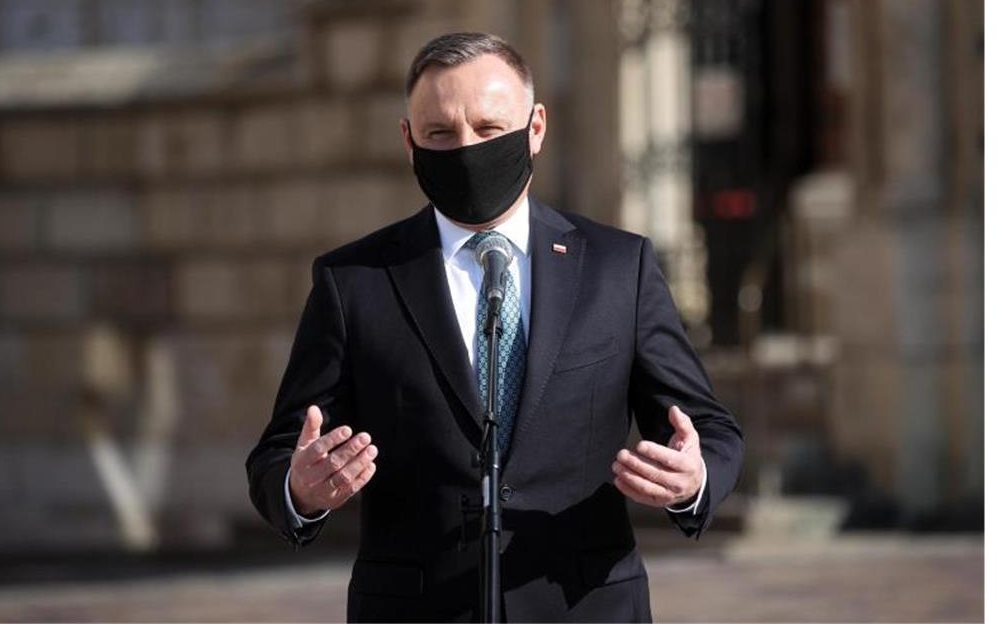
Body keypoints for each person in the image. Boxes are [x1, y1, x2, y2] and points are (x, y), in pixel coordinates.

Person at [246, 32, 744, 622]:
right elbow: (280, 453)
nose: (466, 148)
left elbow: (707, 427)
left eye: (488, 129)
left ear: (535, 128)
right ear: (408, 142)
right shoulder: (355, 280)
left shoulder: (619, 268)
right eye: (440, 134)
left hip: (584, 604)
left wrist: (693, 478)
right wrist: (300, 491)